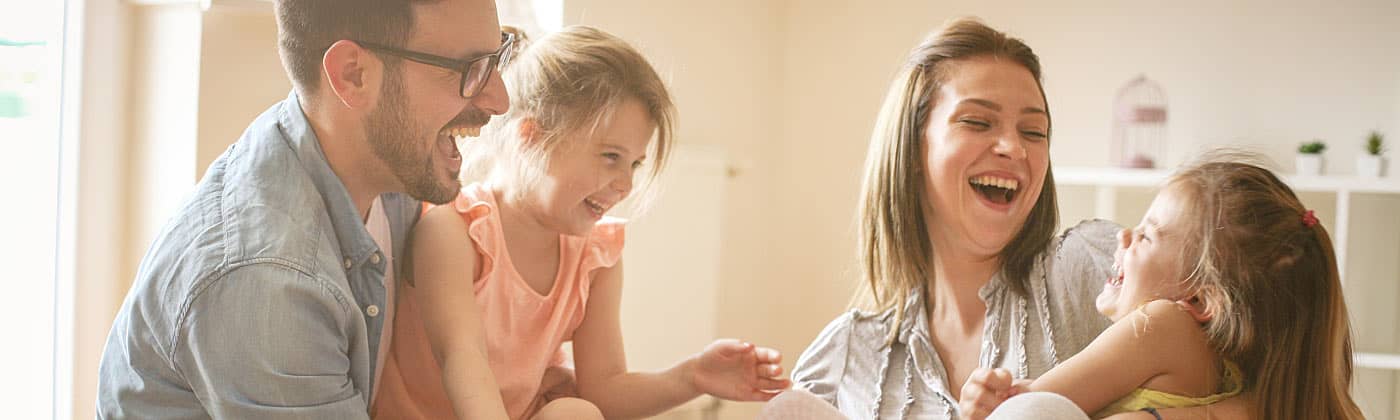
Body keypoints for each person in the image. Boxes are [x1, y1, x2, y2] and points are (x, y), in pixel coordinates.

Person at [784, 18, 1245, 419]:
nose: (1014, 148)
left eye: (1033, 131)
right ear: (912, 148)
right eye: (978, 122)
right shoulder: (845, 355)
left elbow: (1281, 384)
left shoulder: (1095, 267)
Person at [95, 0, 511, 417]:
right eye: (469, 69)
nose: (500, 99)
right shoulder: (269, 284)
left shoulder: (385, 162)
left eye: (498, 56)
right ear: (353, 75)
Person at [372, 26, 790, 420]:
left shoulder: (595, 256)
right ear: (530, 137)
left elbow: (604, 389)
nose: (625, 183)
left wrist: (691, 377)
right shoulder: (455, 229)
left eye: (635, 164)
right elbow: (463, 358)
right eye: (610, 156)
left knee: (578, 412)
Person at [962, 154, 1364, 419]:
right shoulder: (1235, 374)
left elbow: (1032, 403)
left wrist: (984, 402)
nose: (1123, 238)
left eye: (1147, 236)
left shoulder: (1162, 324)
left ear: (1199, 298)